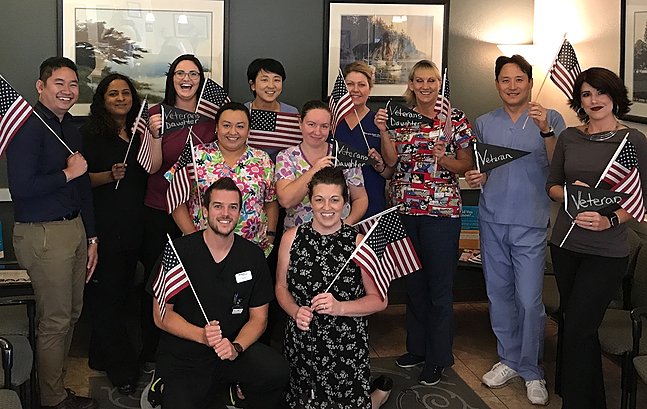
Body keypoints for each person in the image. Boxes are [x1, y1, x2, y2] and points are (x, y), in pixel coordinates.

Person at [464, 55, 566, 406]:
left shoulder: (550, 119)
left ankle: (532, 369)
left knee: (528, 300)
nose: (512, 86)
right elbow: (483, 169)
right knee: (499, 295)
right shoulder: (484, 122)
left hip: (530, 221)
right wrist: (477, 177)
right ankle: (508, 358)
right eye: (505, 80)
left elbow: (559, 166)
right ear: (497, 84)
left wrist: (546, 130)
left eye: (519, 79)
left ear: (530, 82)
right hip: (492, 218)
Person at [546, 67, 647, 408]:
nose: (594, 100)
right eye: (586, 94)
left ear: (615, 96)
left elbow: (642, 197)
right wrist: (570, 195)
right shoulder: (569, 137)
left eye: (600, 92)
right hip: (565, 245)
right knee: (576, 325)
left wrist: (610, 220)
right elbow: (551, 185)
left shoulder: (632, 140)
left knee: (579, 325)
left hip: (607, 251)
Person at [374, 60, 475, 385]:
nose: (425, 86)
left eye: (431, 80)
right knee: (414, 286)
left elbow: (465, 165)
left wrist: (443, 158)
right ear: (411, 84)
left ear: (438, 84)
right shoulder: (401, 116)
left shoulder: (454, 118)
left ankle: (438, 357)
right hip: (404, 211)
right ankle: (416, 349)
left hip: (441, 214)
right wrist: (384, 131)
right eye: (419, 80)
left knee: (439, 290)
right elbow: (392, 162)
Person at [7, 57, 98, 409]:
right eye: (59, 83)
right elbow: (22, 188)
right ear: (40, 86)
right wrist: (68, 174)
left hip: (73, 229)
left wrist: (92, 237)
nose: (68, 90)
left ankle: (55, 388)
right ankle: (52, 399)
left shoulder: (69, 127)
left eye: (73, 84)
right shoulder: (27, 127)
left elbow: (83, 188)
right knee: (56, 320)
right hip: (43, 233)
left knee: (71, 314)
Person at [151, 177, 289, 409]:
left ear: (239, 213)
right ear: (205, 211)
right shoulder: (179, 251)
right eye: (218, 206)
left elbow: (259, 318)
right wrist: (201, 335)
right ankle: (163, 385)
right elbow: (161, 315)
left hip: (230, 348)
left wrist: (236, 347)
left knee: (276, 371)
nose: (225, 213)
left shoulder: (253, 256)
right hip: (185, 353)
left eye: (232, 207)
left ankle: (232, 392)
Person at [275, 167, 390, 409]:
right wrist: (295, 311)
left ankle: (375, 398)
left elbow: (379, 300)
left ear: (345, 202)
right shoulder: (291, 238)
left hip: (345, 343)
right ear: (310, 200)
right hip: (302, 341)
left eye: (334, 200)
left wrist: (339, 307)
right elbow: (281, 287)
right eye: (319, 199)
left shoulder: (358, 244)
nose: (326, 207)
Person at [140, 54, 217, 362]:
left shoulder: (211, 116)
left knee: (197, 281)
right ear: (171, 79)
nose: (187, 79)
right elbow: (152, 167)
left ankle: (193, 347)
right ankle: (153, 352)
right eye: (180, 73)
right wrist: (155, 135)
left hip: (198, 214)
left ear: (201, 79)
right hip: (159, 209)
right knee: (159, 283)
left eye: (194, 74)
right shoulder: (156, 113)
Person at [80, 73, 149, 394]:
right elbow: (79, 180)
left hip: (135, 226)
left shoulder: (140, 133)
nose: (121, 98)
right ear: (102, 100)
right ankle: (123, 369)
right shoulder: (91, 135)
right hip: (106, 227)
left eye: (125, 93)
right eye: (113, 94)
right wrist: (109, 175)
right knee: (108, 298)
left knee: (121, 295)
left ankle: (99, 355)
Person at [168, 101, 278, 256]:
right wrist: (194, 238)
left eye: (240, 126)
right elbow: (176, 199)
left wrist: (271, 235)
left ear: (248, 130)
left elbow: (271, 201)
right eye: (226, 125)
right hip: (203, 247)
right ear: (216, 127)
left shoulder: (262, 159)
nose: (233, 132)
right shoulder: (195, 155)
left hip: (251, 248)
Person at [275, 100, 368, 229]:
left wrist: (346, 225)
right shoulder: (287, 157)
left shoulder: (343, 154)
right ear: (300, 123)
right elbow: (286, 201)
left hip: (340, 232)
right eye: (311, 124)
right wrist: (314, 170)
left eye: (324, 126)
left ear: (330, 127)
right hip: (298, 234)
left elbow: (360, 199)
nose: (317, 132)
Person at [331, 61, 392, 220]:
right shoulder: (331, 122)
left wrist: (380, 166)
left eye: (362, 85)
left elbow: (389, 173)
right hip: (332, 207)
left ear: (369, 89)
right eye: (350, 84)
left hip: (372, 205)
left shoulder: (379, 122)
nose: (355, 90)